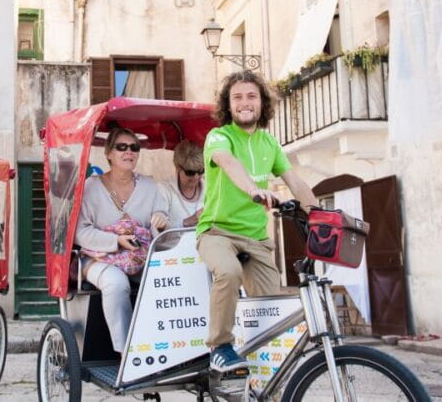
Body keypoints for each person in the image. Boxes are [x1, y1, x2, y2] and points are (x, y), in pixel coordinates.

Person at [197, 70, 319, 373]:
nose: (244, 102)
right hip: (217, 232)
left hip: (256, 238)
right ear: (228, 104)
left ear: (262, 102)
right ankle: (220, 347)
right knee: (228, 271)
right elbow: (228, 163)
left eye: (251, 96)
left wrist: (321, 214)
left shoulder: (270, 144)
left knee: (271, 306)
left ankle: (267, 376)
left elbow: (294, 182)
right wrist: (254, 189)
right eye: (237, 97)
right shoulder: (219, 136)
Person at [76, 127, 170, 354]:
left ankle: (164, 348)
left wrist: (161, 220)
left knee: (166, 280)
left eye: (134, 147)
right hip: (98, 258)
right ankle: (126, 352)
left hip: (138, 256)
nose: (129, 152)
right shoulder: (90, 187)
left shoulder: (148, 185)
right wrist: (116, 240)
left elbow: (162, 218)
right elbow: (81, 232)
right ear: (108, 153)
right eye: (122, 147)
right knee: (116, 284)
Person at [158, 139, 205, 237]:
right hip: (173, 250)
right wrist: (188, 221)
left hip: (205, 246)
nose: (196, 177)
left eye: (201, 171)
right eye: (190, 172)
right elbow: (158, 233)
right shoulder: (163, 189)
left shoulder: (210, 187)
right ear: (177, 168)